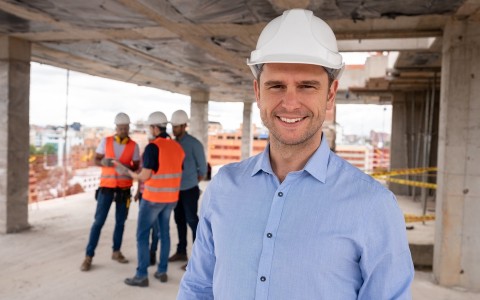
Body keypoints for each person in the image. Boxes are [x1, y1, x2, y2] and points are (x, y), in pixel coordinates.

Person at [178, 9, 414, 299]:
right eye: (276, 85)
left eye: (306, 86)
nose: (290, 103)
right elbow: (198, 287)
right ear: (258, 91)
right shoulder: (224, 188)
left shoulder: (373, 206)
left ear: (330, 94)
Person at [124, 111, 185, 287]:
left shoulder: (153, 147)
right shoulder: (177, 147)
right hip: (171, 199)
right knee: (164, 234)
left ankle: (141, 275)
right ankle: (162, 271)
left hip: (153, 199)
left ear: (154, 127)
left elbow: (144, 175)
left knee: (142, 235)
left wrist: (130, 173)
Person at [81, 112, 140, 272]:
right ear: (116, 128)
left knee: (120, 222)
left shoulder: (133, 146)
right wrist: (103, 162)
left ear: (128, 128)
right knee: (98, 222)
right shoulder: (105, 142)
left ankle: (116, 251)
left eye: (125, 128)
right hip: (106, 188)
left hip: (124, 189)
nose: (122, 130)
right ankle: (89, 256)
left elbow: (137, 167)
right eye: (120, 128)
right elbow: (96, 159)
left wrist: (127, 168)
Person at [168, 110, 207, 270]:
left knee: (192, 221)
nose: (174, 129)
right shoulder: (172, 143)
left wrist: (191, 182)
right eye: (173, 126)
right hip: (175, 190)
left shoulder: (194, 144)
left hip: (189, 190)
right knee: (179, 220)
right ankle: (181, 251)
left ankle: (198, 259)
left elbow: (203, 169)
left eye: (177, 126)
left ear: (184, 126)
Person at [133, 124, 171, 267]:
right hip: (152, 195)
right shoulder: (148, 153)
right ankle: (161, 268)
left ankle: (144, 268)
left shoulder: (153, 150)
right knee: (161, 232)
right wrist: (137, 192)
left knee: (147, 232)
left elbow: (143, 175)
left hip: (153, 196)